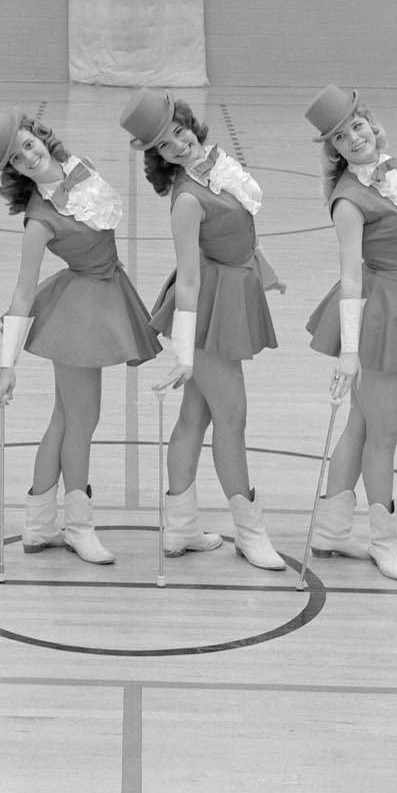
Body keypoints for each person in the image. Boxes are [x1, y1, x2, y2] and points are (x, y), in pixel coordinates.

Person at [0, 109, 162, 564]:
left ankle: (39, 526)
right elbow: (21, 294)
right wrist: (7, 367)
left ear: (40, 136)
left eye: (28, 144)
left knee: (64, 420)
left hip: (104, 292)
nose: (28, 156)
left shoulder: (82, 168)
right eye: (17, 160)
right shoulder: (39, 220)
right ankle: (79, 527)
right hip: (81, 311)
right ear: (14, 173)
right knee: (82, 421)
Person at [119, 88, 287, 571]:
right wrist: (185, 355)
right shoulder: (187, 200)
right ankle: (250, 532)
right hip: (208, 309)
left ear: (190, 125)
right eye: (167, 147)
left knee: (197, 417)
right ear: (159, 158)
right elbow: (188, 281)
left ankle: (180, 527)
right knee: (231, 420)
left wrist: (266, 273)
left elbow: (238, 232)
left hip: (231, 295)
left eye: (180, 133)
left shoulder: (214, 168)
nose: (179, 146)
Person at [302, 85, 397, 581]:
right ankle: (385, 541)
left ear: (370, 123)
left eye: (357, 126)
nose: (354, 139)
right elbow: (350, 278)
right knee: (385, 432)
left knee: (362, 426)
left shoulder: (389, 169)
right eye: (341, 137)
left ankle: (332, 531)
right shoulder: (348, 201)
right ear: (334, 150)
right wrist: (349, 353)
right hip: (378, 311)